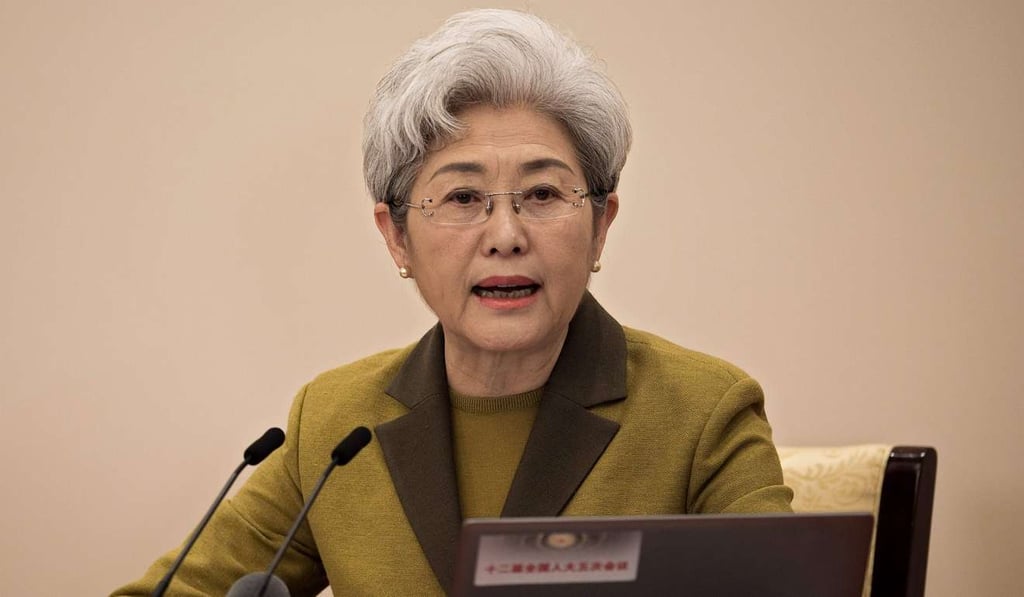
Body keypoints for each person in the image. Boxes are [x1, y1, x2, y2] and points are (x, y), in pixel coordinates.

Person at [113, 9, 791, 596]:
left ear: (600, 225)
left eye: (545, 194)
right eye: (463, 197)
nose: (505, 236)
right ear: (397, 236)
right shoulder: (336, 424)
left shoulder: (704, 413)